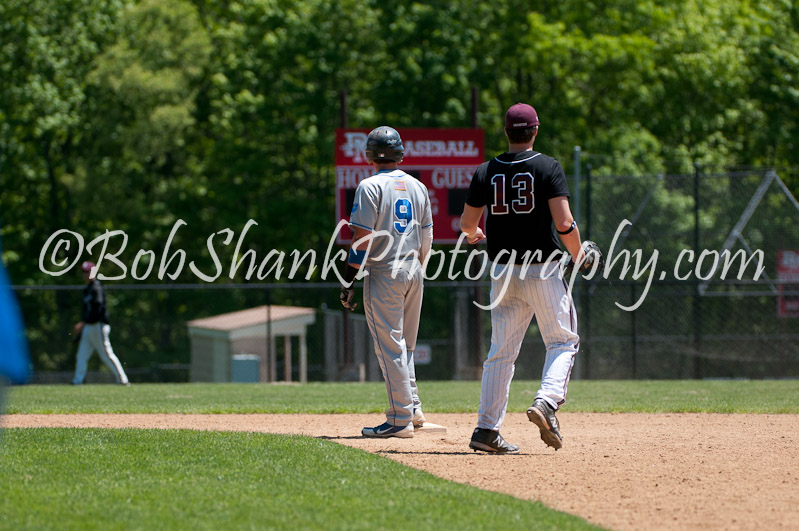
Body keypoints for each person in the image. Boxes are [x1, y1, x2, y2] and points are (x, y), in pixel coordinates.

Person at [460, 102, 596, 453]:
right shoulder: (547, 166)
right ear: (535, 130)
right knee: (563, 341)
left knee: (500, 353)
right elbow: (564, 223)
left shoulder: (485, 170)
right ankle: (547, 401)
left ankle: (486, 430)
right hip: (543, 269)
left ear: (506, 132)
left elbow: (467, 225)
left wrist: (476, 233)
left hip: (502, 271)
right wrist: (580, 254)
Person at [340, 126, 433, 438]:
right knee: (405, 345)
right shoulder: (418, 187)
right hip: (414, 270)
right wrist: (417, 269)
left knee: (389, 347)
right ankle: (415, 409)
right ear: (400, 154)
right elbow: (427, 237)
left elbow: (362, 239)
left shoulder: (368, 186)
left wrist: (347, 279)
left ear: (369, 155)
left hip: (385, 270)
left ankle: (399, 419)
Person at [72, 261, 129, 386]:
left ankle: (122, 379)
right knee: (81, 355)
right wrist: (84, 323)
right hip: (88, 327)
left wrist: (83, 322)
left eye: (87, 272)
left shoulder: (96, 288)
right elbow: (86, 311)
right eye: (83, 272)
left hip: (98, 326)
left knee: (107, 354)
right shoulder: (87, 290)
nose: (85, 275)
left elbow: (98, 308)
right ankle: (77, 381)